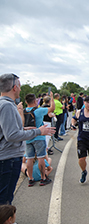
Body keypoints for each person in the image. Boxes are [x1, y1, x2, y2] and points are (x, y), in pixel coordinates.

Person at [0, 73, 54, 206]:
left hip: (11, 155)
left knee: (6, 193)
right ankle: (4, 223)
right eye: (19, 85)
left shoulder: (9, 104)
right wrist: (38, 131)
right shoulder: (7, 105)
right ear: (14, 87)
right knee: (5, 196)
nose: (20, 88)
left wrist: (26, 129)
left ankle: (6, 221)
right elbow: (11, 136)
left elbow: (7, 130)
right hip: (8, 158)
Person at [24, 93, 55, 187]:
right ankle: (43, 178)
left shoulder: (23, 111)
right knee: (41, 157)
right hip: (39, 136)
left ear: (26, 102)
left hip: (28, 136)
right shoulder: (39, 110)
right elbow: (52, 108)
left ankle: (30, 179)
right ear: (35, 101)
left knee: (29, 158)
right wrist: (52, 98)